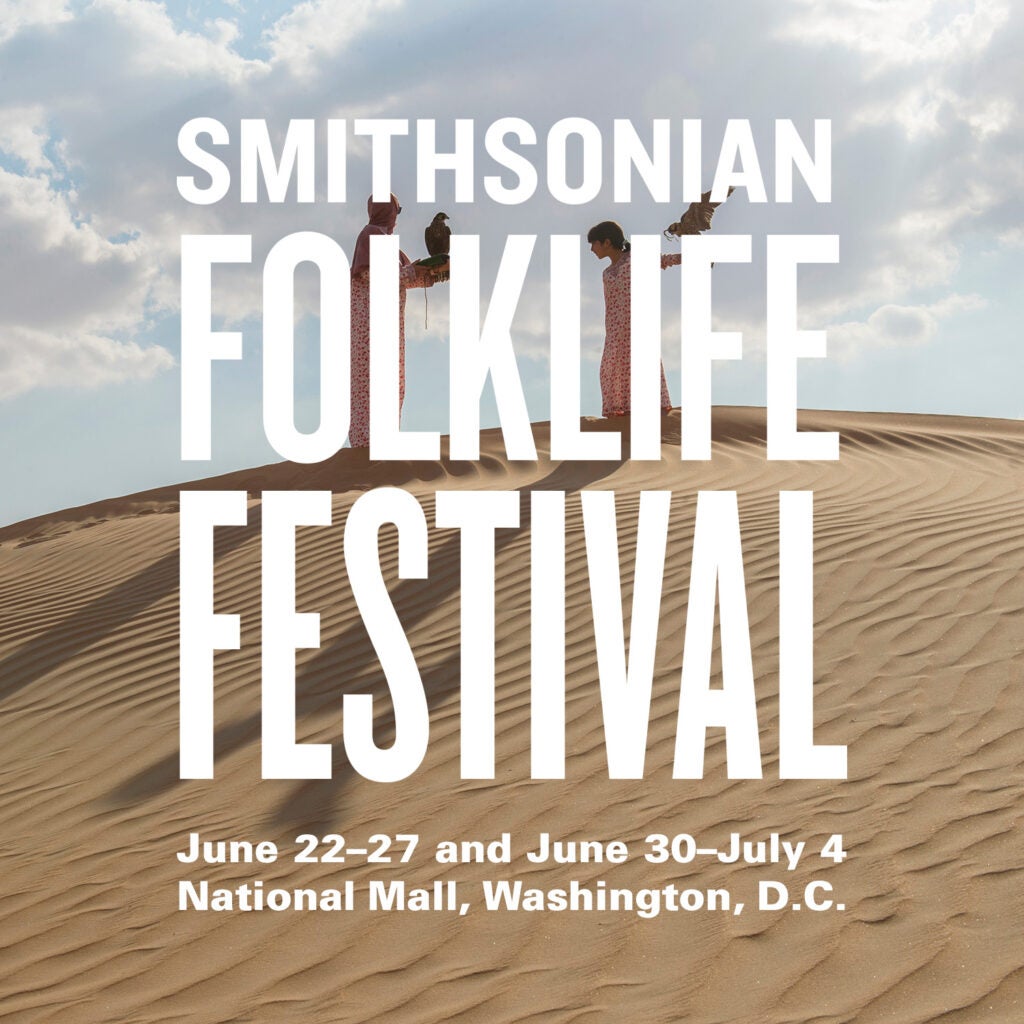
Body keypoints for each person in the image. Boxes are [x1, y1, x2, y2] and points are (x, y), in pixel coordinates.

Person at [349, 194, 439, 448]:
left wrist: (433, 273)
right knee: (371, 382)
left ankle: (384, 439)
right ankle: (367, 444)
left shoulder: (387, 243)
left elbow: (402, 278)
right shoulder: (370, 236)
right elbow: (370, 276)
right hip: (370, 327)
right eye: (396, 211)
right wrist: (415, 272)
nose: (396, 218)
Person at [587, 220, 679, 418]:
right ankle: (624, 413)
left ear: (606, 242)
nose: (591, 249)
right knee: (610, 370)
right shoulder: (606, 273)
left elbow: (664, 260)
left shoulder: (636, 259)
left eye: (593, 243)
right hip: (615, 333)